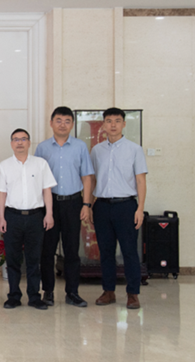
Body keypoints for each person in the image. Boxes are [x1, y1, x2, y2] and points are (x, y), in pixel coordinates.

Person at [35, 107, 94, 307]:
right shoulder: (42, 148)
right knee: (47, 250)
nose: (62, 124)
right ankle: (48, 292)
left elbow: (87, 177)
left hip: (73, 203)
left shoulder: (80, 147)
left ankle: (72, 292)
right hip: (49, 204)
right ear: (51, 123)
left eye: (67, 121)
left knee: (72, 250)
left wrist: (86, 204)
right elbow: (36, 179)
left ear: (72, 124)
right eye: (58, 120)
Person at [90, 108, 147, 310]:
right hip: (102, 206)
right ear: (103, 125)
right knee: (105, 251)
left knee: (129, 251)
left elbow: (141, 180)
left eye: (117, 120)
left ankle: (133, 293)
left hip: (126, 206)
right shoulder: (96, 151)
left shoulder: (134, 149)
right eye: (109, 121)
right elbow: (92, 179)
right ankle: (108, 291)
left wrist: (140, 208)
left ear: (124, 124)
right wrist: (89, 206)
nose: (113, 124)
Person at [0, 128, 56, 310]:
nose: (20, 142)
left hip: (35, 217)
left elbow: (47, 190)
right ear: (11, 143)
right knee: (13, 259)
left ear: (29, 143)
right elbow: (2, 194)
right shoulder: (4, 166)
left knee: (34, 259)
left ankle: (34, 296)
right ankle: (14, 296)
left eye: (23, 139)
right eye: (16, 139)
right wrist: (1, 218)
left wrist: (49, 214)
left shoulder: (40, 164)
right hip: (12, 217)